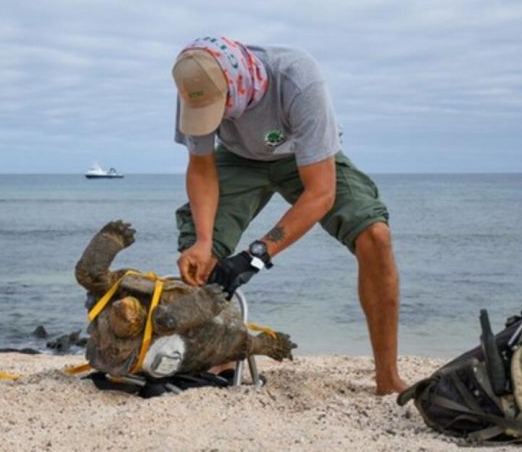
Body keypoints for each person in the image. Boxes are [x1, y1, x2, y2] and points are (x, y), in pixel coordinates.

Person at [171, 35, 407, 395]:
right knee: (198, 256)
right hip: (238, 159)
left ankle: (387, 378)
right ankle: (221, 356)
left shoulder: (298, 78)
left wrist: (256, 257)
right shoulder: (194, 84)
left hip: (305, 157)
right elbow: (201, 167)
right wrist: (204, 241)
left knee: (374, 235)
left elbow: (321, 193)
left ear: (239, 86)